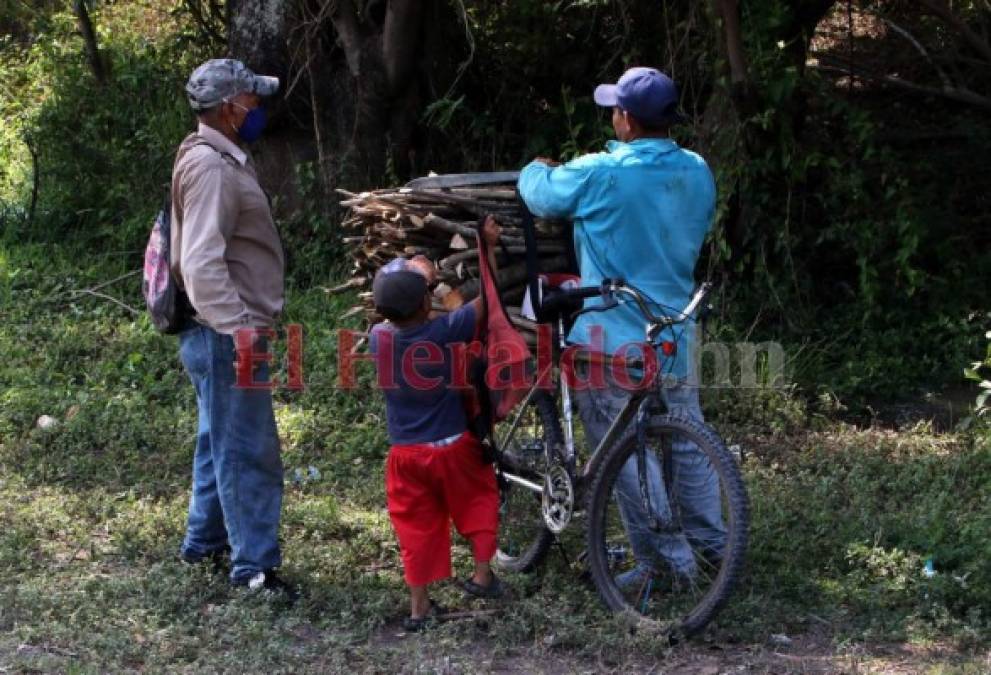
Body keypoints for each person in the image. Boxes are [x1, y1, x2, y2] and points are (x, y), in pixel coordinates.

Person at [517, 67, 726, 588]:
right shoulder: (697, 170)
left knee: (623, 451)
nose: (612, 118)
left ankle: (665, 564)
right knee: (686, 440)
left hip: (610, 343)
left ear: (627, 119)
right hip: (674, 335)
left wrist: (534, 167)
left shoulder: (602, 173)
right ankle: (712, 549)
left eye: (614, 110)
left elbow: (540, 194)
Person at [171, 58, 295, 598]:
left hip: (217, 331)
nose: (258, 108)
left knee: (217, 439)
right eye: (251, 100)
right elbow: (201, 262)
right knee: (248, 449)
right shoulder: (214, 169)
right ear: (229, 109)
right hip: (225, 333)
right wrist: (240, 329)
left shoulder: (215, 157)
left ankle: (205, 543)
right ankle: (254, 571)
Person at [369, 217, 506, 632]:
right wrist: (488, 250)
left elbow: (394, 294)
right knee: (478, 500)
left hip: (406, 455)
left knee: (416, 526)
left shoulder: (379, 337)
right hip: (453, 447)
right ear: (426, 304)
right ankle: (482, 576)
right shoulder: (447, 330)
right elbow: (490, 300)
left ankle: (419, 609)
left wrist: (417, 278)